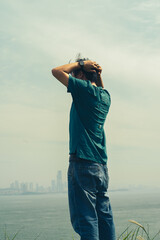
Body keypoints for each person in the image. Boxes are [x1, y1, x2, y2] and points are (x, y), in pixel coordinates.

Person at [51, 57, 116, 240]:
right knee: (104, 217)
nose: (71, 77)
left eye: (74, 75)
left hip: (83, 163)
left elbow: (56, 71)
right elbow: (101, 88)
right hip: (101, 167)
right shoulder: (105, 97)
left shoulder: (83, 90)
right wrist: (96, 73)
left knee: (86, 220)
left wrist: (80, 65)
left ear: (80, 75)